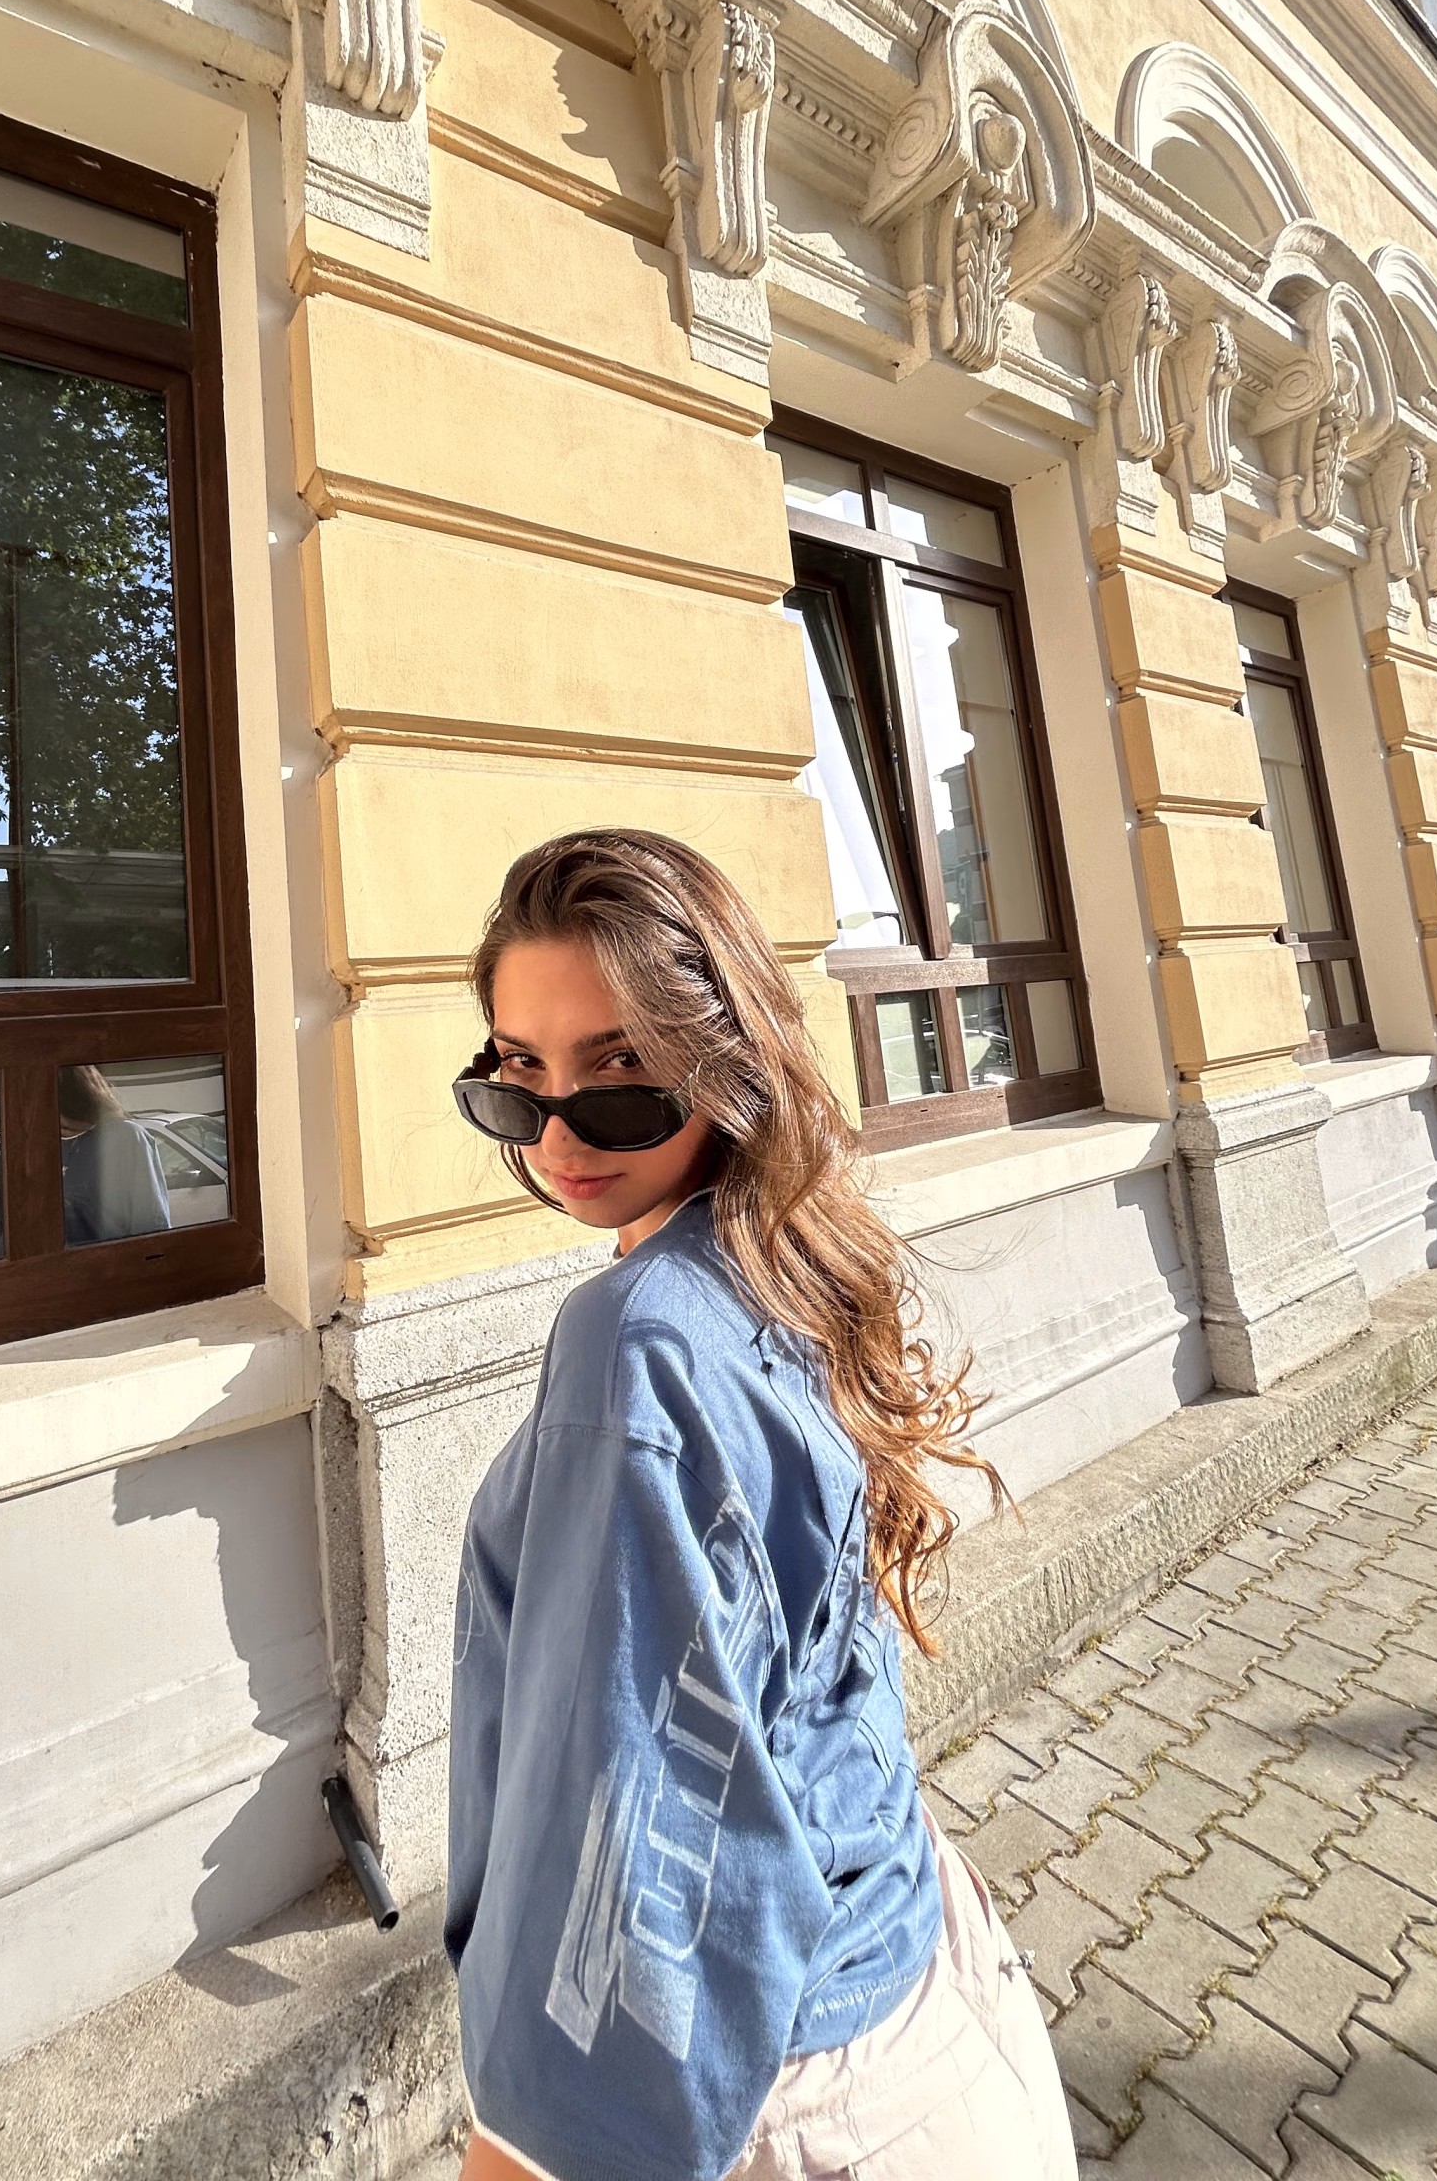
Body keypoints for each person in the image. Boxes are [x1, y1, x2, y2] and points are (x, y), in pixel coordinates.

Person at [443, 830, 1074, 2181]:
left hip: (797, 2100)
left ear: (724, 1056)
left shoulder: (638, 1341)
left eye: (620, 1071)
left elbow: (624, 1873)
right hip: (932, 1990)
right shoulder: (780, 1254)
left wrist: (518, 2147)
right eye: (518, 1074)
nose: (559, 1133)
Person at [0, 1063, 170, 1260]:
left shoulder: (126, 1138)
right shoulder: (27, 1145)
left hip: (100, 1268)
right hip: (35, 1270)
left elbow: (151, 1226)